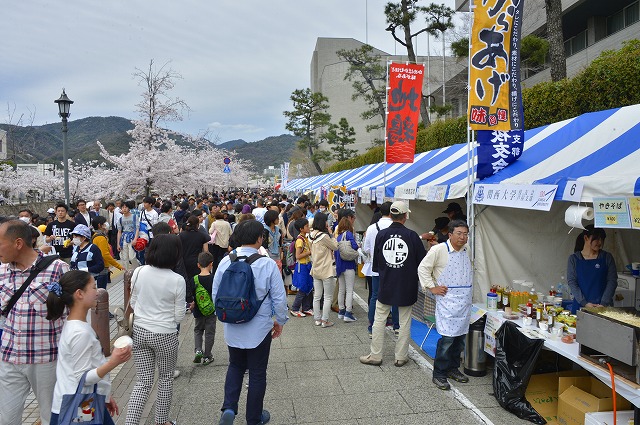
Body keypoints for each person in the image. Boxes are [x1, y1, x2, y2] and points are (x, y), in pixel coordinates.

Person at [213, 220, 288, 425]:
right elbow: (280, 300)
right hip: (259, 328)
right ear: (259, 239)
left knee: (235, 365)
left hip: (232, 327)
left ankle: (229, 408)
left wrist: (226, 316)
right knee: (257, 373)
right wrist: (280, 321)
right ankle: (254, 418)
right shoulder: (267, 264)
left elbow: (215, 295)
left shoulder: (225, 261)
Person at [0, 220, 70, 425]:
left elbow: (76, 312)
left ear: (18, 243)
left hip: (46, 358)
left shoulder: (58, 268)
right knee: (6, 418)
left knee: (51, 417)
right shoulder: (2, 271)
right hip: (9, 355)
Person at [46, 270, 132, 425]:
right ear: (79, 294)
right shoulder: (80, 333)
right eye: (93, 287)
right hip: (77, 409)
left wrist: (104, 395)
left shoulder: (73, 325)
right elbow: (82, 377)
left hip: (78, 404)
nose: (97, 291)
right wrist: (114, 361)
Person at [125, 234, 186, 425]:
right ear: (175, 254)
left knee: (143, 382)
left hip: (140, 332)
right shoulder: (177, 280)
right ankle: (161, 421)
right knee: (165, 379)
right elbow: (178, 317)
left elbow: (133, 302)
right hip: (165, 335)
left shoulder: (139, 271)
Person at [360, 201, 426, 368]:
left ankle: (375, 355)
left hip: (386, 283)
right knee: (404, 321)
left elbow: (376, 264)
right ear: (405, 216)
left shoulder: (381, 235)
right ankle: (400, 357)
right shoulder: (412, 236)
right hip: (406, 285)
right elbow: (422, 262)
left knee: (379, 320)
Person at [417, 219, 473, 390]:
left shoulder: (467, 249)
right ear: (450, 235)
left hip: (464, 301)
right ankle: (439, 373)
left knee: (460, 338)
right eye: (459, 233)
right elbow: (423, 268)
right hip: (447, 300)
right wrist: (431, 287)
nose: (463, 237)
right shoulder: (439, 249)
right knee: (447, 339)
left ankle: (453, 368)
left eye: (465, 234)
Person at [361, 202, 399, 338]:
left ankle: (372, 327)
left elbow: (366, 249)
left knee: (375, 297)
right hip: (393, 267)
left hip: (375, 267)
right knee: (395, 297)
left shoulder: (371, 228)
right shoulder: (396, 226)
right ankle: (397, 326)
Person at [567, 225, 617, 313]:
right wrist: (584, 303)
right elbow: (572, 282)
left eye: (602, 239)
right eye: (596, 239)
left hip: (603, 308)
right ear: (586, 238)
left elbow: (612, 281)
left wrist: (603, 303)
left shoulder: (607, 257)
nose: (600, 242)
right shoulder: (574, 259)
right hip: (580, 307)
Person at [308, 212, 339, 328]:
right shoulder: (324, 236)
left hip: (315, 268)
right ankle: (324, 320)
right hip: (326, 269)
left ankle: (317, 319)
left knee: (317, 296)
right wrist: (331, 233)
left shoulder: (310, 235)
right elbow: (335, 246)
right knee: (327, 297)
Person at [190, 251, 217, 365]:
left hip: (198, 311)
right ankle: (207, 356)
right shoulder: (214, 279)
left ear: (198, 265)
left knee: (198, 330)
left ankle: (198, 351)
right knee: (209, 333)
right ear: (212, 264)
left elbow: (191, 295)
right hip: (211, 312)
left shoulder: (194, 279)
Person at [335, 211, 359, 322]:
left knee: (341, 289)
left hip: (340, 265)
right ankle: (348, 313)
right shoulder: (349, 234)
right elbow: (354, 246)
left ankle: (341, 310)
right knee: (349, 290)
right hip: (348, 264)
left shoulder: (338, 237)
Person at [289, 218, 314, 317]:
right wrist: (310, 252)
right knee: (303, 288)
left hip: (307, 265)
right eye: (307, 226)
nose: (308, 227)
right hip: (302, 266)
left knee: (308, 286)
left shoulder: (305, 238)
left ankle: (306, 307)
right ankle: (295, 308)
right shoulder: (300, 240)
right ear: (301, 229)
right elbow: (298, 256)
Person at [91, 216, 124, 289]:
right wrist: (118, 266)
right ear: (100, 225)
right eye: (104, 223)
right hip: (102, 269)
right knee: (102, 292)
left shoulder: (96, 235)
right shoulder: (101, 238)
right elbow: (105, 254)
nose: (106, 224)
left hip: (101, 267)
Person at [117, 200, 140, 270]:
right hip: (123, 239)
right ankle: (126, 273)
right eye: (123, 207)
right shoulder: (120, 219)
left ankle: (136, 270)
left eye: (126, 207)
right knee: (124, 258)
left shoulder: (134, 217)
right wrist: (118, 244)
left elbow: (137, 229)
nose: (124, 209)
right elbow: (119, 231)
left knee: (132, 257)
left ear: (129, 208)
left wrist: (135, 239)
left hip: (132, 238)